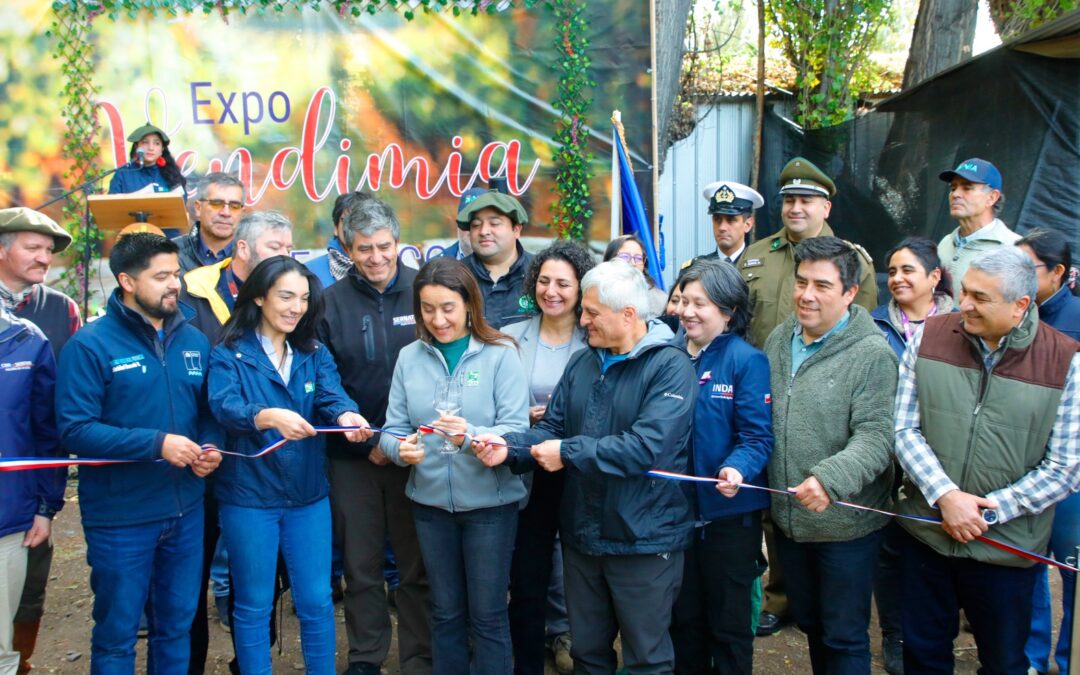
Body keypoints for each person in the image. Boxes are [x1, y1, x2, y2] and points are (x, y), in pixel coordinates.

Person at [475, 260, 697, 675]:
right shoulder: (585, 362)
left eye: (592, 312)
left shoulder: (670, 367)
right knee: (587, 655)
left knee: (647, 658)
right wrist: (507, 448)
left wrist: (568, 451)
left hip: (643, 540)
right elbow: (553, 428)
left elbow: (644, 449)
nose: (583, 320)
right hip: (582, 536)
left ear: (628, 315)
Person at [894, 246, 1080, 673]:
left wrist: (988, 512)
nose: (965, 305)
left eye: (980, 297)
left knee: (1003, 661)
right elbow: (904, 428)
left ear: (1020, 306)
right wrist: (946, 497)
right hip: (927, 534)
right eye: (964, 291)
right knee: (922, 656)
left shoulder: (1066, 362)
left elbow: (1066, 466)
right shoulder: (928, 337)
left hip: (1005, 548)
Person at [55, 233, 223, 673]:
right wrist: (156, 444)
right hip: (121, 517)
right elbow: (75, 429)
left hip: (186, 511)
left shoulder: (193, 340)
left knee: (176, 627)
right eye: (163, 276)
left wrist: (209, 446)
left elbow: (206, 411)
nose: (176, 284)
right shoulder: (90, 346)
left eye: (177, 273)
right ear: (127, 281)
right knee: (117, 635)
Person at [208, 256, 371, 674]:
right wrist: (266, 416)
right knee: (253, 603)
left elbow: (333, 396)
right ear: (260, 296)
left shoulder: (312, 351)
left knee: (316, 601)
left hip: (307, 496)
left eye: (302, 298)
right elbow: (224, 405)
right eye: (285, 296)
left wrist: (346, 416)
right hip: (248, 497)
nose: (295, 307)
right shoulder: (230, 353)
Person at [738, 156, 877, 637]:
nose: (807, 295)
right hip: (769, 415)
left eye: (806, 200)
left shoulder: (853, 265)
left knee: (841, 632)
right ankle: (781, 598)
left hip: (837, 492)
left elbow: (862, 336)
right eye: (789, 200)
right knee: (776, 508)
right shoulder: (756, 258)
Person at [378, 256, 529, 674]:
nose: (438, 319)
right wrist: (399, 450)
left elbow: (516, 431)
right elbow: (392, 428)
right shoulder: (410, 357)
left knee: (488, 614)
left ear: (469, 304)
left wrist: (471, 436)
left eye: (447, 308)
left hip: (489, 506)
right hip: (429, 506)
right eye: (428, 309)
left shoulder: (501, 354)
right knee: (444, 611)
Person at [762, 236, 898, 673]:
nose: (806, 295)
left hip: (845, 528)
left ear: (850, 292)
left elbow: (877, 435)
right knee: (813, 626)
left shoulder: (872, 354)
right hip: (790, 521)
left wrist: (829, 478)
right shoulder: (781, 338)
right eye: (802, 282)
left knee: (843, 637)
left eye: (822, 286)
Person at [317, 196, 433, 675]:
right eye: (364, 249)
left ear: (398, 243)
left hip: (415, 453)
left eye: (384, 246)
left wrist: (397, 444)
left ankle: (420, 657)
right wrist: (366, 441)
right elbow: (324, 380)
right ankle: (366, 657)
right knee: (360, 566)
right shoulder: (328, 302)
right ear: (348, 247)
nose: (376, 257)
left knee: (415, 567)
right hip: (352, 459)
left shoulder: (423, 292)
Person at [668, 259, 773, 673]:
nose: (688, 312)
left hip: (729, 519)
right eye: (684, 301)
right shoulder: (667, 355)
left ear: (727, 311)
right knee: (683, 621)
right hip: (674, 515)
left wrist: (736, 469)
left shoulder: (747, 361)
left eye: (701, 304)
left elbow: (757, 437)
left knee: (728, 628)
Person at [502, 240, 594, 675]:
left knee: (582, 575)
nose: (551, 291)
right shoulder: (510, 336)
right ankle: (526, 662)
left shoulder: (596, 338)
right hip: (528, 470)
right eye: (544, 281)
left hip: (577, 470)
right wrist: (526, 416)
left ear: (581, 288)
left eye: (563, 283)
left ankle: (578, 645)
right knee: (528, 574)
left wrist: (561, 417)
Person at [867, 237, 955, 674]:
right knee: (891, 550)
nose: (897, 279)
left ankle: (937, 631)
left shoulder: (959, 325)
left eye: (908, 271)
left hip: (940, 456)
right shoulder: (873, 323)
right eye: (893, 270)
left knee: (935, 549)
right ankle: (894, 634)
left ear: (934, 277)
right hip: (886, 455)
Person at [0, 208, 79, 674]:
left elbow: (48, 420)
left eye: (49, 251)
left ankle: (21, 660)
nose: (44, 257)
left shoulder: (57, 310)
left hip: (22, 498)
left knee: (27, 596)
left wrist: (47, 503)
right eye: (33, 247)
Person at [1015, 230, 1080, 675]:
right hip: (1023, 461)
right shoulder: (1015, 318)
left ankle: (1069, 657)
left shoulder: (1075, 318)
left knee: (1072, 568)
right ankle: (1031, 658)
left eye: (1027, 269)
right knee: (1028, 564)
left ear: (1057, 272)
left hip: (1070, 470)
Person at [0, 301, 61, 675]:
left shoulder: (26, 339)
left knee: (2, 649)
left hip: (8, 519)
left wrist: (45, 506)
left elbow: (46, 432)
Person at [181, 210, 294, 345]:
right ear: (243, 249)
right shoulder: (193, 287)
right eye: (275, 247)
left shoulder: (296, 293)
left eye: (288, 250)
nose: (285, 256)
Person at [936, 158, 1020, 297]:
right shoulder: (945, 243)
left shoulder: (1013, 248)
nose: (955, 194)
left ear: (992, 197)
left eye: (967, 188)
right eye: (953, 188)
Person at [458, 191, 536, 328]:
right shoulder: (456, 275)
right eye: (476, 225)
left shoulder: (539, 272)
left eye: (494, 224)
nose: (483, 231)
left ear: (516, 230)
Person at [173, 173, 246, 274]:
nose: (225, 213)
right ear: (198, 208)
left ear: (242, 213)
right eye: (216, 204)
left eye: (234, 206)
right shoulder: (171, 252)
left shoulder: (252, 255)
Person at [684, 181, 764, 266]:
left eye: (731, 220)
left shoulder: (761, 269)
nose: (722, 227)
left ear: (748, 224)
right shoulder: (696, 269)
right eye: (717, 219)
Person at [305, 191, 368, 288]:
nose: (352, 226)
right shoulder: (311, 272)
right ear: (336, 228)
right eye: (346, 220)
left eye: (360, 220)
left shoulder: (383, 267)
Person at [108, 124, 188, 198]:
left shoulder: (172, 174)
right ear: (137, 146)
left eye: (156, 143)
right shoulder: (122, 174)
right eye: (145, 142)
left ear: (162, 149)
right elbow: (111, 205)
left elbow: (181, 203)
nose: (151, 148)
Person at [603, 235, 667, 318]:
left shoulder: (660, 301)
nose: (633, 263)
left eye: (638, 258)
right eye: (625, 257)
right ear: (609, 260)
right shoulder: (596, 293)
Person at [440, 187, 485, 261]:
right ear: (458, 222)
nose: (482, 231)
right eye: (468, 220)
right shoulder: (436, 268)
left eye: (479, 222)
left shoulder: (508, 264)